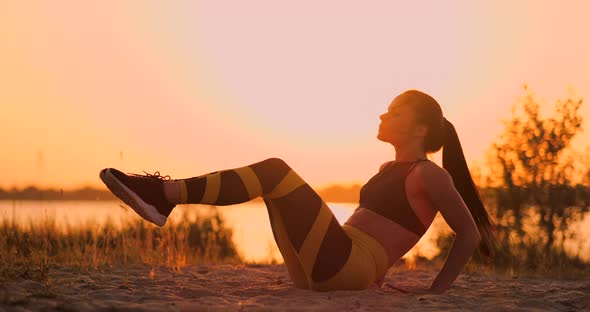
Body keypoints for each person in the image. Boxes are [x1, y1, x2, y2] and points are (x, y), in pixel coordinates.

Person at [99, 89, 495, 294]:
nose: (382, 114)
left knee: (276, 172)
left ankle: (164, 195)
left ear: (421, 128)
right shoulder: (388, 169)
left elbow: (470, 233)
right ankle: (163, 196)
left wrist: (435, 292)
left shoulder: (430, 174)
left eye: (393, 111)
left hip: (349, 268)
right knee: (272, 184)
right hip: (324, 269)